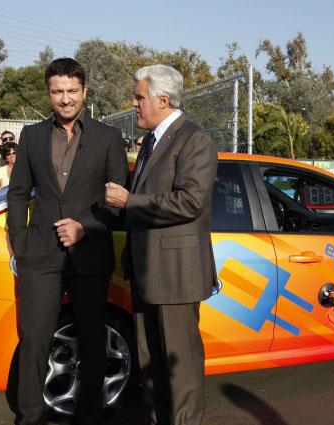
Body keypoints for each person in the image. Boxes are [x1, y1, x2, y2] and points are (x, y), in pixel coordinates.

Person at [7, 58, 127, 425]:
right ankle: (29, 416)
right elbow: (17, 194)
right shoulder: (31, 136)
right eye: (57, 91)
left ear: (85, 92)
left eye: (72, 91)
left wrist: (85, 227)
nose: (65, 99)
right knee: (35, 339)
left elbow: (116, 202)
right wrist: (19, 242)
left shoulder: (108, 137)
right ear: (48, 93)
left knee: (91, 338)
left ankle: (89, 414)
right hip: (39, 254)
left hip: (90, 253)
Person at [105, 64, 218, 425]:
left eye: (139, 97)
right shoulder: (152, 142)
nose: (134, 104)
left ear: (163, 100)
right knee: (150, 363)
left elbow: (191, 202)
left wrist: (130, 202)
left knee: (179, 368)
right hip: (146, 272)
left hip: (176, 275)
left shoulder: (194, 139)